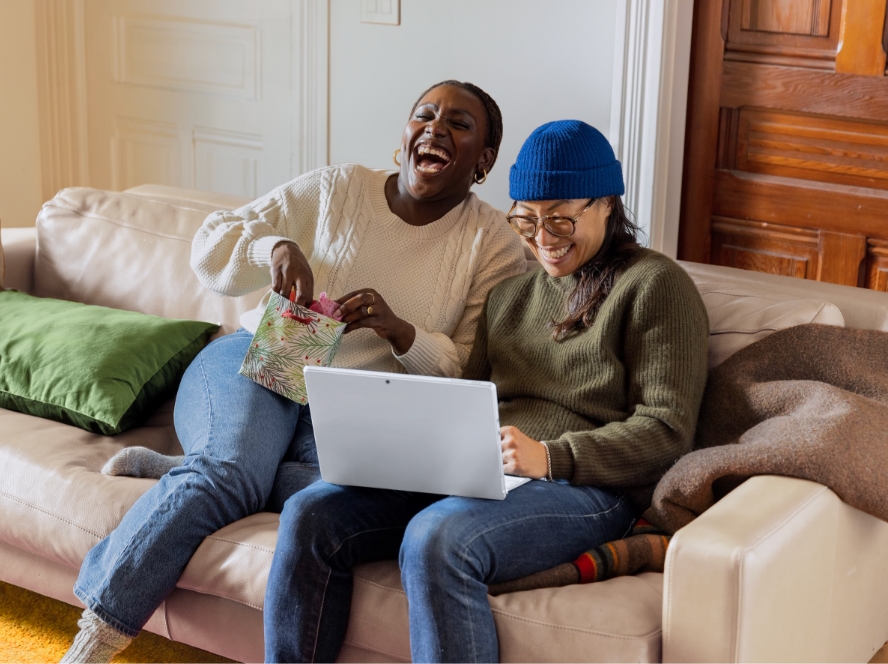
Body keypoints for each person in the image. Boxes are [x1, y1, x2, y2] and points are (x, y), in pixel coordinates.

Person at [59, 80, 526, 663]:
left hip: (357, 405)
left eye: (459, 124)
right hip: (261, 356)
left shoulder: (495, 247)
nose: (435, 128)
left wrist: (400, 331)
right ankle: (96, 638)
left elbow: (468, 368)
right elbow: (212, 245)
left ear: (483, 161)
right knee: (230, 471)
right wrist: (275, 249)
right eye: (424, 116)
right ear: (403, 137)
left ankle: (192, 468)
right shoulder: (338, 189)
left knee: (336, 498)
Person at [263, 120, 710, 663]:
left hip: (586, 487)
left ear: (607, 204)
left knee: (437, 539)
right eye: (527, 219)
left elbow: (667, 430)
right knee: (312, 511)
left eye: (562, 218)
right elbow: (466, 400)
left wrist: (551, 457)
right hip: (484, 470)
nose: (543, 239)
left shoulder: (656, 285)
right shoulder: (510, 296)